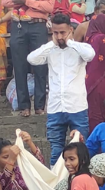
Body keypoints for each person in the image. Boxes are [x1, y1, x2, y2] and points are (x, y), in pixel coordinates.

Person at [29, 14, 96, 162]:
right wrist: (52, 44)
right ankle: (57, 184)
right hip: (55, 108)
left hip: (77, 107)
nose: (59, 36)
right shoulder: (50, 50)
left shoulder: (80, 48)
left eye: (62, 32)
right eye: (56, 33)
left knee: (80, 151)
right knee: (56, 152)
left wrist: (69, 42)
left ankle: (79, 183)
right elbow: (31, 59)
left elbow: (90, 55)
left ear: (70, 30)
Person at [6, 0, 57, 117]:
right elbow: (5, 2)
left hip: (38, 26)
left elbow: (49, 7)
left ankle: (40, 106)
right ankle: (24, 106)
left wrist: (25, 0)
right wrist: (31, 0)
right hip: (19, 24)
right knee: (19, 66)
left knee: (40, 66)